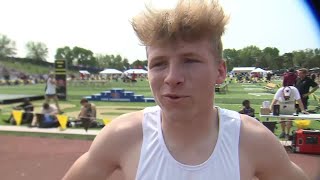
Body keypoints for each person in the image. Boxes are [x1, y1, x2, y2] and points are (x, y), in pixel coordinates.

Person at [63, 1, 308, 179]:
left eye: (190, 60)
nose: (172, 78)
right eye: (158, 64)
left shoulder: (252, 140)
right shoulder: (122, 135)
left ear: (220, 71)